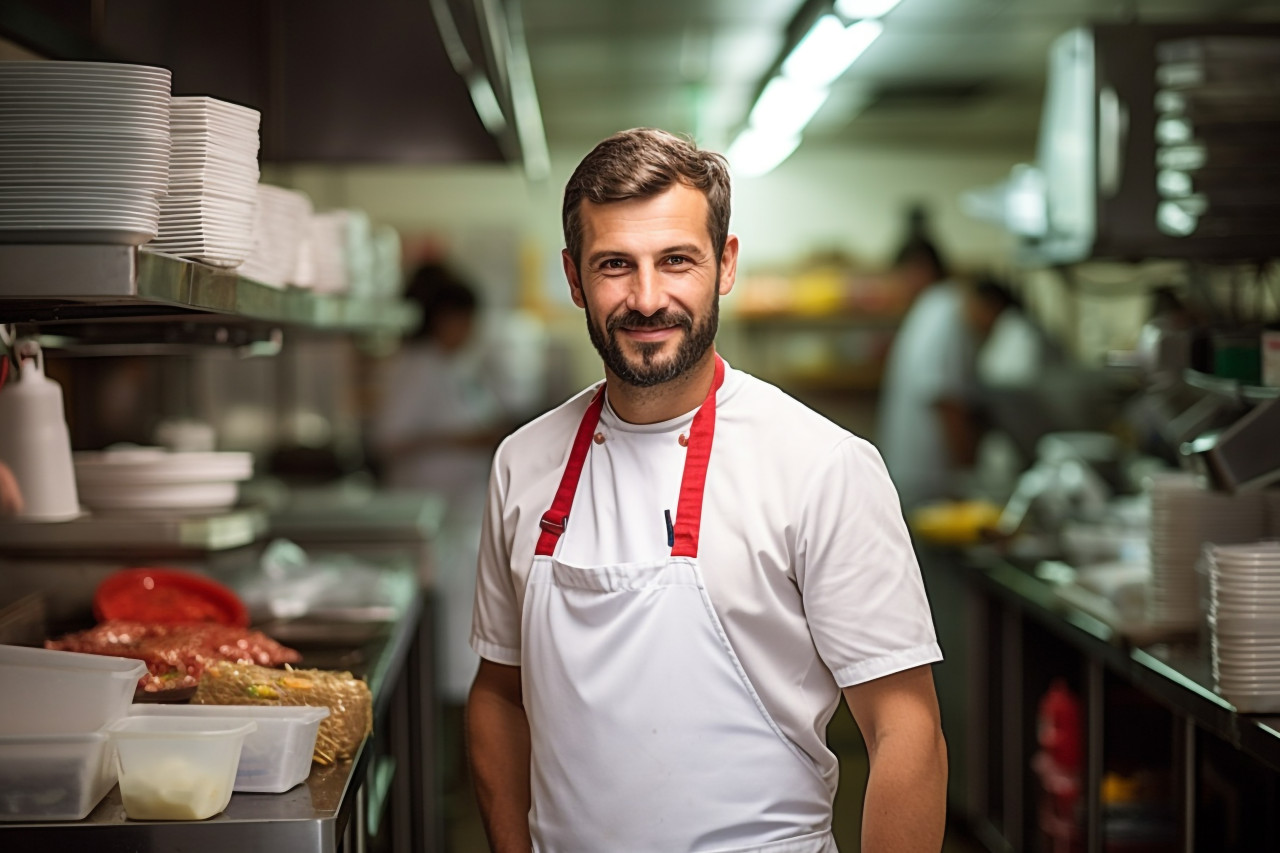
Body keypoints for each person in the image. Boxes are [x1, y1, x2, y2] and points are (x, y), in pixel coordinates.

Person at [467, 128, 947, 853]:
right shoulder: (522, 461)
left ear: (724, 264)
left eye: (676, 260)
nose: (647, 297)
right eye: (615, 265)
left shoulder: (821, 464)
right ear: (574, 277)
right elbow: (500, 693)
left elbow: (905, 728)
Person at [372, 263, 512, 702]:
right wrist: (466, 439)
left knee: (464, 640)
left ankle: (458, 712)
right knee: (443, 645)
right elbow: (387, 438)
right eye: (465, 320)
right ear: (444, 319)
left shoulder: (454, 367)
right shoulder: (418, 368)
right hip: (428, 521)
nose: (470, 330)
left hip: (461, 520)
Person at [876, 213, 984, 512]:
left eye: (901, 275)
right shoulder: (933, 310)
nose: (898, 285)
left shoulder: (943, 311)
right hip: (921, 478)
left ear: (920, 269)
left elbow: (946, 398)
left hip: (933, 479)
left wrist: (965, 474)